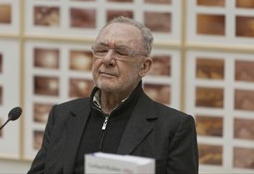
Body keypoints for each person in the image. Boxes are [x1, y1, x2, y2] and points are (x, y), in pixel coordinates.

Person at [28, 16, 198, 174]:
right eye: (101, 50)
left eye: (121, 52)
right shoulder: (62, 115)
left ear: (144, 67)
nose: (107, 59)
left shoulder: (174, 128)